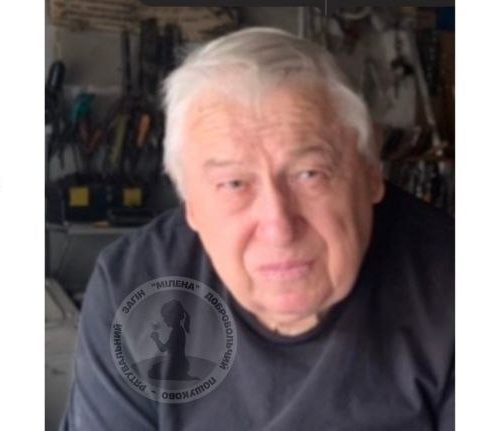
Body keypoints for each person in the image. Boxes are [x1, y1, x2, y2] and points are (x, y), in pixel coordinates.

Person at [60, 27, 454, 430]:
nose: (278, 227)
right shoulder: (133, 284)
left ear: (371, 174)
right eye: (234, 183)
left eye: (309, 174)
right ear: (190, 204)